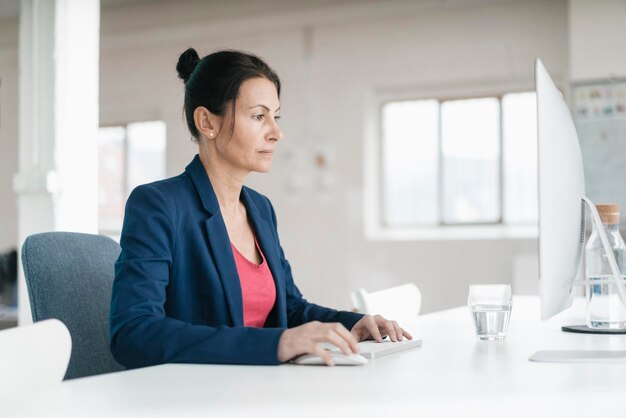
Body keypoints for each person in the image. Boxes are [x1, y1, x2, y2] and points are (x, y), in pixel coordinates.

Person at [109, 48, 411, 368]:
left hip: (262, 387)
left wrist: (353, 324)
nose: (276, 133)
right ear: (207, 121)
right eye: (258, 116)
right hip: (196, 397)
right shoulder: (159, 205)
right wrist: (275, 344)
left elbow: (289, 308)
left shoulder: (260, 208)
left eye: (276, 117)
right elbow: (132, 332)